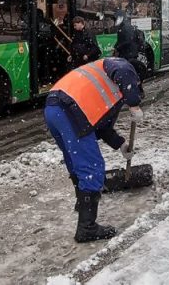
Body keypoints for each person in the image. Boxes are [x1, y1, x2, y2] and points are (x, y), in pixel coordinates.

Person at [44, 57, 144, 243]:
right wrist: (134, 103)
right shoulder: (121, 65)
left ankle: (82, 203)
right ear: (136, 79)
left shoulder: (107, 85)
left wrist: (121, 145)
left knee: (75, 161)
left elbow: (103, 128)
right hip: (71, 110)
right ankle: (87, 228)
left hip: (54, 108)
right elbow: (124, 72)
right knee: (92, 166)